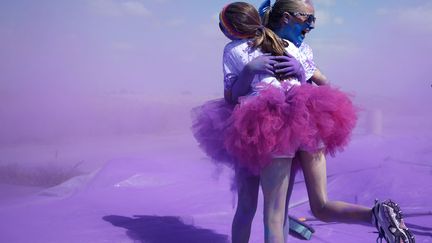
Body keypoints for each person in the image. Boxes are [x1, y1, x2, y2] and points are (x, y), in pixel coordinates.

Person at [224, 1, 415, 243]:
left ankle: (375, 216)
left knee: (274, 213)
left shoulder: (292, 49)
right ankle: (375, 215)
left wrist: (301, 71)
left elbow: (323, 83)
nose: (312, 26)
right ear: (285, 18)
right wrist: (260, 70)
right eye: (308, 19)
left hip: (279, 127)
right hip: (302, 124)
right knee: (312, 206)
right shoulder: (262, 48)